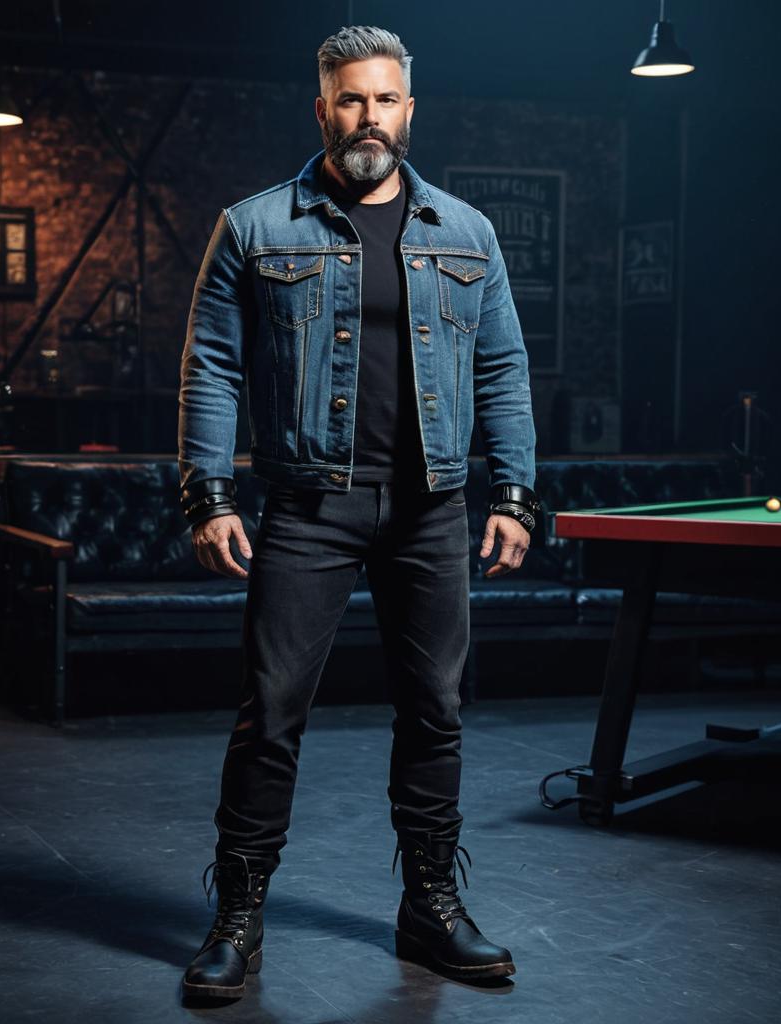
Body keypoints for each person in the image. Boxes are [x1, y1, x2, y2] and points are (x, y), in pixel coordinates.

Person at [178, 25, 538, 1000]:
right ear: (322, 108)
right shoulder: (255, 227)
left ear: (409, 111)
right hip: (308, 506)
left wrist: (512, 493)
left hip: (433, 509)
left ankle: (430, 909)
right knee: (271, 714)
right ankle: (237, 918)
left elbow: (502, 366)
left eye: (385, 100)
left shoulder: (467, 233)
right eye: (350, 99)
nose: (367, 117)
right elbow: (210, 366)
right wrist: (208, 493)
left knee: (435, 712)